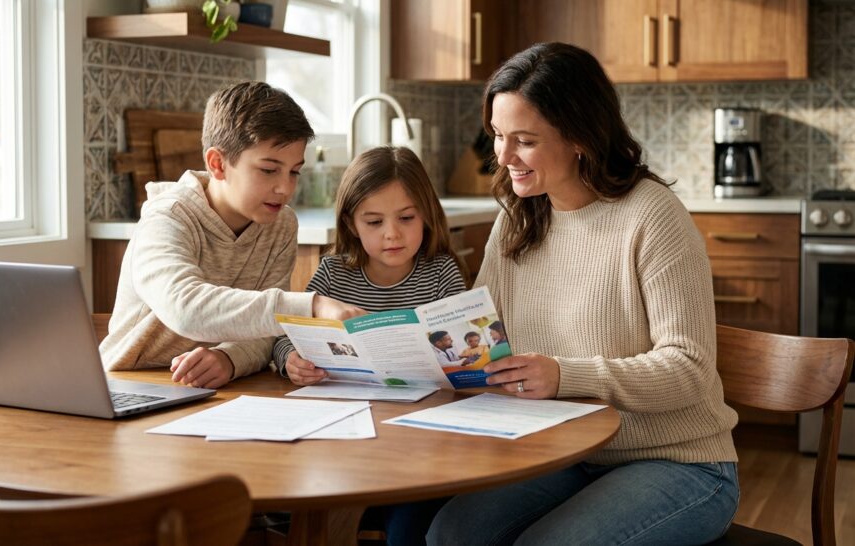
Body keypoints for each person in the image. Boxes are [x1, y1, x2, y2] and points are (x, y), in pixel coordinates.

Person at [426, 43, 739, 546]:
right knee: (451, 535)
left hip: (677, 462)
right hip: (561, 452)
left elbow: (689, 369)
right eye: (498, 137)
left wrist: (565, 374)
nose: (503, 159)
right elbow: (483, 336)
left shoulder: (651, 216)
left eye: (524, 141)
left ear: (579, 138)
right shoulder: (515, 218)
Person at [100, 81, 364, 389]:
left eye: (294, 171)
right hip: (131, 381)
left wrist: (229, 359)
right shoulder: (167, 218)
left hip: (214, 389)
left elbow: (266, 331)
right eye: (269, 170)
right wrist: (311, 306)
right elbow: (185, 309)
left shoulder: (281, 224)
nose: (286, 188)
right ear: (218, 164)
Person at [272, 145, 466, 546]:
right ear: (352, 222)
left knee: (410, 525)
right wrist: (290, 359)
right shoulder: (332, 275)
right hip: (346, 439)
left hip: (421, 444)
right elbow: (282, 337)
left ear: (426, 213)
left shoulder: (442, 274)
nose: (391, 233)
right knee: (315, 506)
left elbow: (466, 357)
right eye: (374, 221)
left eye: (406, 218)